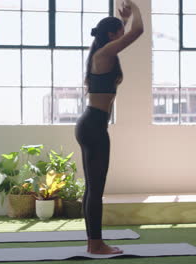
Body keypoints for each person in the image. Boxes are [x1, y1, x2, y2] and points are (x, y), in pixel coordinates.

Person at [74, 0, 143, 255]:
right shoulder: (104, 54)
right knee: (96, 188)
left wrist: (121, 21)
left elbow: (121, 34)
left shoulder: (101, 51)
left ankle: (94, 243)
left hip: (91, 124)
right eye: (119, 32)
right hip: (93, 126)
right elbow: (138, 32)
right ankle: (96, 245)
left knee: (93, 188)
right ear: (112, 36)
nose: (123, 35)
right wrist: (136, 9)